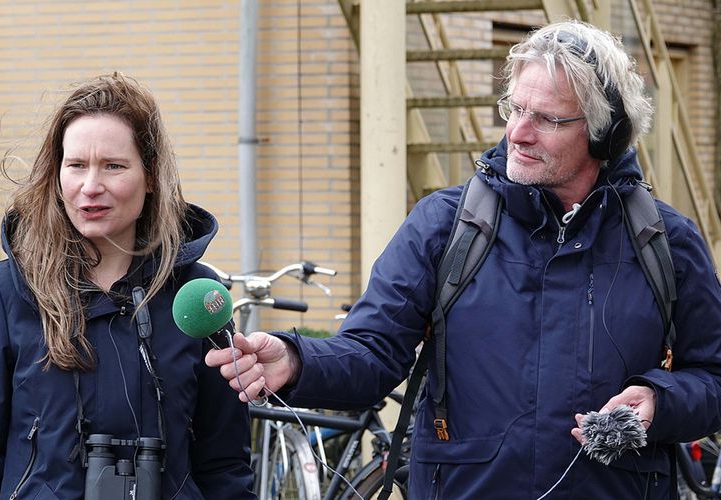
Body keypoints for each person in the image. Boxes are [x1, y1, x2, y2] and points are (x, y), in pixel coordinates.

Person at [206, 20, 721, 498]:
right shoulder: (443, 225)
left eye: (546, 119)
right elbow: (372, 351)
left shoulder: (666, 242)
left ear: (604, 131)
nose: (518, 132)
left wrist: (660, 401)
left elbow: (713, 378)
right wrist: (298, 360)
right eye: (515, 109)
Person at [0, 74, 255, 499]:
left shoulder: (196, 297)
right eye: (77, 165)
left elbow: (225, 467)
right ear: (57, 173)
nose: (90, 187)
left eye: (114, 166)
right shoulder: (5, 292)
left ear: (151, 175)